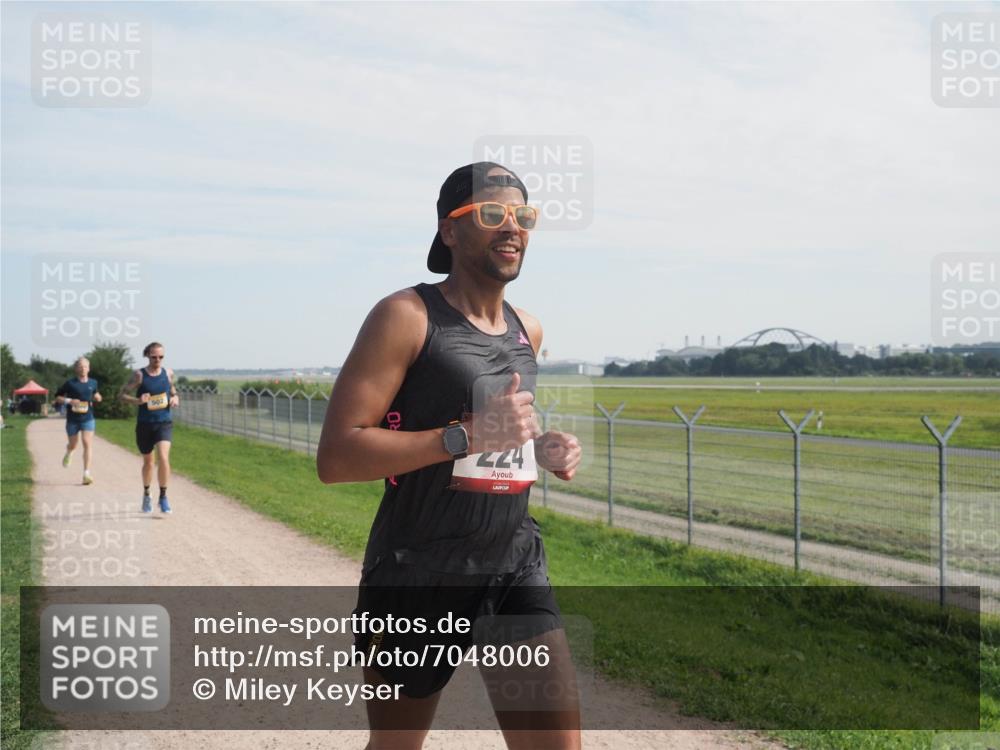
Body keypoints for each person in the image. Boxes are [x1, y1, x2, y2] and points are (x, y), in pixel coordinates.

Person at [317, 162, 584, 750]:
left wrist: (544, 447)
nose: (510, 227)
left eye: (523, 216)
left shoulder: (528, 329)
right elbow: (336, 456)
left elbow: (501, 435)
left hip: (513, 562)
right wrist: (462, 436)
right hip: (417, 571)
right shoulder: (406, 316)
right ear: (450, 230)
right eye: (491, 214)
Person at [119, 342, 179, 514]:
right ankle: (146, 494)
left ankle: (163, 497)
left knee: (163, 457)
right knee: (148, 462)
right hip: (145, 424)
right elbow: (121, 395)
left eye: (161, 357)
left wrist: (175, 397)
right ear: (147, 355)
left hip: (164, 423)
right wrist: (138, 401)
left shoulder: (168, 373)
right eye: (154, 357)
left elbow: (172, 389)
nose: (158, 360)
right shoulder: (139, 375)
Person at [54, 357, 103, 485]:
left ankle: (86, 473)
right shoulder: (70, 383)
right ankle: (69, 451)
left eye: (85, 366)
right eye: (80, 366)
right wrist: (69, 401)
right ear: (76, 369)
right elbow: (57, 397)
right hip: (73, 419)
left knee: (87, 443)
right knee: (74, 444)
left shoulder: (93, 382)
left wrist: (98, 397)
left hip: (88, 418)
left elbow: (96, 394)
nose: (83, 368)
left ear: (89, 368)